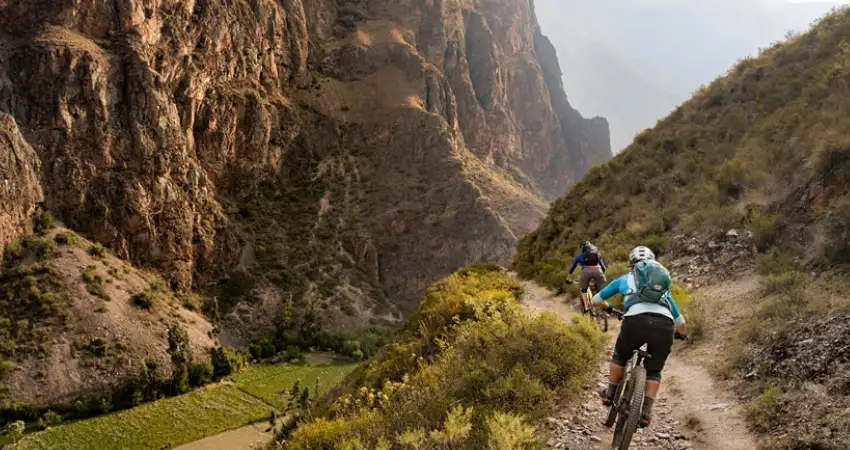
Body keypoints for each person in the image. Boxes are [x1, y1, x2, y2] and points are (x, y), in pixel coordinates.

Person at [592, 246, 687, 428]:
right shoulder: (662, 291)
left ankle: (609, 394)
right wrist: (682, 334)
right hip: (664, 326)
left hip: (634, 322)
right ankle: (645, 412)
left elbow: (597, 300)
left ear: (631, 265)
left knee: (620, 356)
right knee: (654, 370)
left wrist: (609, 308)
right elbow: (681, 323)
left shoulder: (626, 279)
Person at [567, 241, 608, 305]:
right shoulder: (596, 253)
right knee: (602, 295)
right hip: (599, 272)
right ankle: (607, 309)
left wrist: (568, 279)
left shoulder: (580, 256)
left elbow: (572, 269)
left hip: (585, 274)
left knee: (583, 290)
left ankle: (586, 307)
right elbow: (604, 268)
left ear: (582, 248)